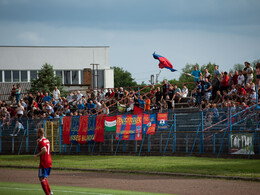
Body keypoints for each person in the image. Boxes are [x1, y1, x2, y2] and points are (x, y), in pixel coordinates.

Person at [34, 128, 52, 195]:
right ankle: (50, 192)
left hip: (44, 161)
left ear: (39, 133)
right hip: (49, 160)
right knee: (44, 177)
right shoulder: (47, 140)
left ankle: (47, 193)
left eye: (37, 133)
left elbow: (44, 150)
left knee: (41, 178)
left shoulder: (41, 141)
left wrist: (37, 155)